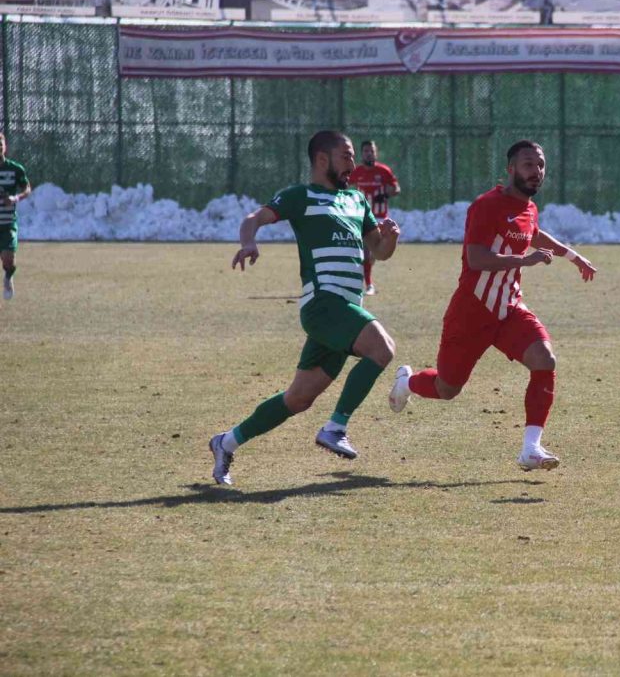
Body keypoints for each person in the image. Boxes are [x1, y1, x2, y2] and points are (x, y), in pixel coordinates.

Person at [387, 140, 597, 471]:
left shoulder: (529, 207)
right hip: (470, 313)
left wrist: (573, 256)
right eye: (528, 164)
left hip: (509, 309)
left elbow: (534, 233)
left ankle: (531, 448)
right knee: (447, 389)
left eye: (540, 165)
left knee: (544, 359)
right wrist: (524, 262)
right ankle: (407, 382)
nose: (536, 171)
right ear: (511, 169)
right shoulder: (486, 205)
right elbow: (476, 257)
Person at [208, 130, 401, 485]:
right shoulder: (301, 196)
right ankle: (336, 427)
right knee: (382, 348)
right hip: (323, 305)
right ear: (322, 160)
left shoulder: (356, 200)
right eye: (346, 156)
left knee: (298, 399)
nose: (353, 163)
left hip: (345, 309)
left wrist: (390, 239)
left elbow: (380, 251)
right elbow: (253, 218)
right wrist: (249, 242)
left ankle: (226, 442)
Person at [349, 140, 400, 296]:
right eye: (365, 151)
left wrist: (385, 194)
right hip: (363, 216)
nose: (368, 153)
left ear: (376, 152)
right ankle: (368, 284)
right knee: (364, 252)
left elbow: (396, 189)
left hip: (380, 217)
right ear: (361, 153)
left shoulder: (383, 171)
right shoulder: (356, 171)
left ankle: (367, 279)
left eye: (371, 151)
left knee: (372, 255)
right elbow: (345, 187)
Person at [0, 133, 32, 300]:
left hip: (8, 223)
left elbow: (27, 188)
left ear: (5, 146)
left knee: (7, 259)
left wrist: (15, 198)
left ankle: (8, 275)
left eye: (1, 143)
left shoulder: (15, 169)